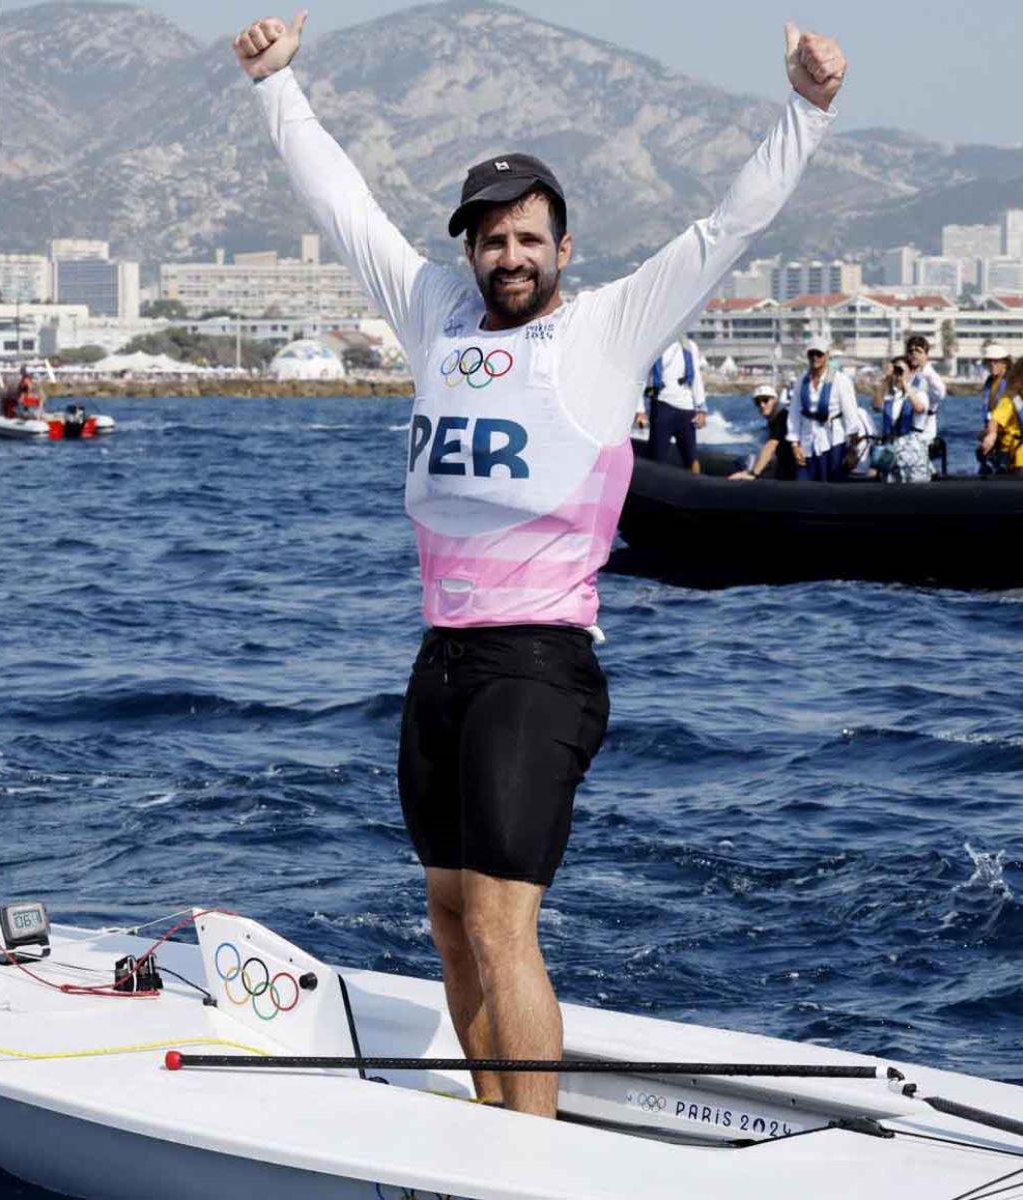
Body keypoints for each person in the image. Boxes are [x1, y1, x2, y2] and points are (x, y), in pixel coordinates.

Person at [233, 11, 846, 1118]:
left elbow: (726, 229)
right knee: (450, 914)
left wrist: (804, 112)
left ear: (564, 248)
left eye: (528, 238)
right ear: (469, 248)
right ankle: (494, 1130)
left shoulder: (607, 330)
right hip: (445, 663)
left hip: (539, 663)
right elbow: (343, 209)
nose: (508, 256)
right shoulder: (435, 315)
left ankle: (535, 1160)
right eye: (490, 237)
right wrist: (279, 86)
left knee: (505, 923)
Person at [787, 337, 855, 481]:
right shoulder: (801, 381)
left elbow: (850, 415)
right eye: (811, 354)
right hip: (807, 442)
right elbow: (794, 413)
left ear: (827, 355)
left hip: (832, 442)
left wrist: (852, 448)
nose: (815, 357)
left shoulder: (840, 380)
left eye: (819, 354)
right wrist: (794, 444)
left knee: (831, 486)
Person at [644, 339, 708, 471]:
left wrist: (701, 409)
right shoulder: (653, 343)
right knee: (657, 458)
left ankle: (697, 486)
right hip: (662, 406)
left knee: (692, 458)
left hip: (686, 408)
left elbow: (696, 377)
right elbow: (641, 378)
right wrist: (640, 411)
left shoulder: (690, 345)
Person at [874, 353, 935, 482]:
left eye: (901, 371)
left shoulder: (919, 393)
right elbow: (876, 406)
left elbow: (919, 408)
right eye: (896, 371)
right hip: (891, 451)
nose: (898, 375)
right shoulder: (890, 396)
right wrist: (886, 379)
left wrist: (905, 383)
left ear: (910, 373)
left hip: (912, 451)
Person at [729, 384, 797, 480]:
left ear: (775, 400)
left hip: (793, 468)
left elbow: (771, 445)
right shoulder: (776, 418)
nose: (762, 405)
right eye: (758, 402)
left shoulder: (781, 417)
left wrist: (753, 474)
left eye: (765, 400)